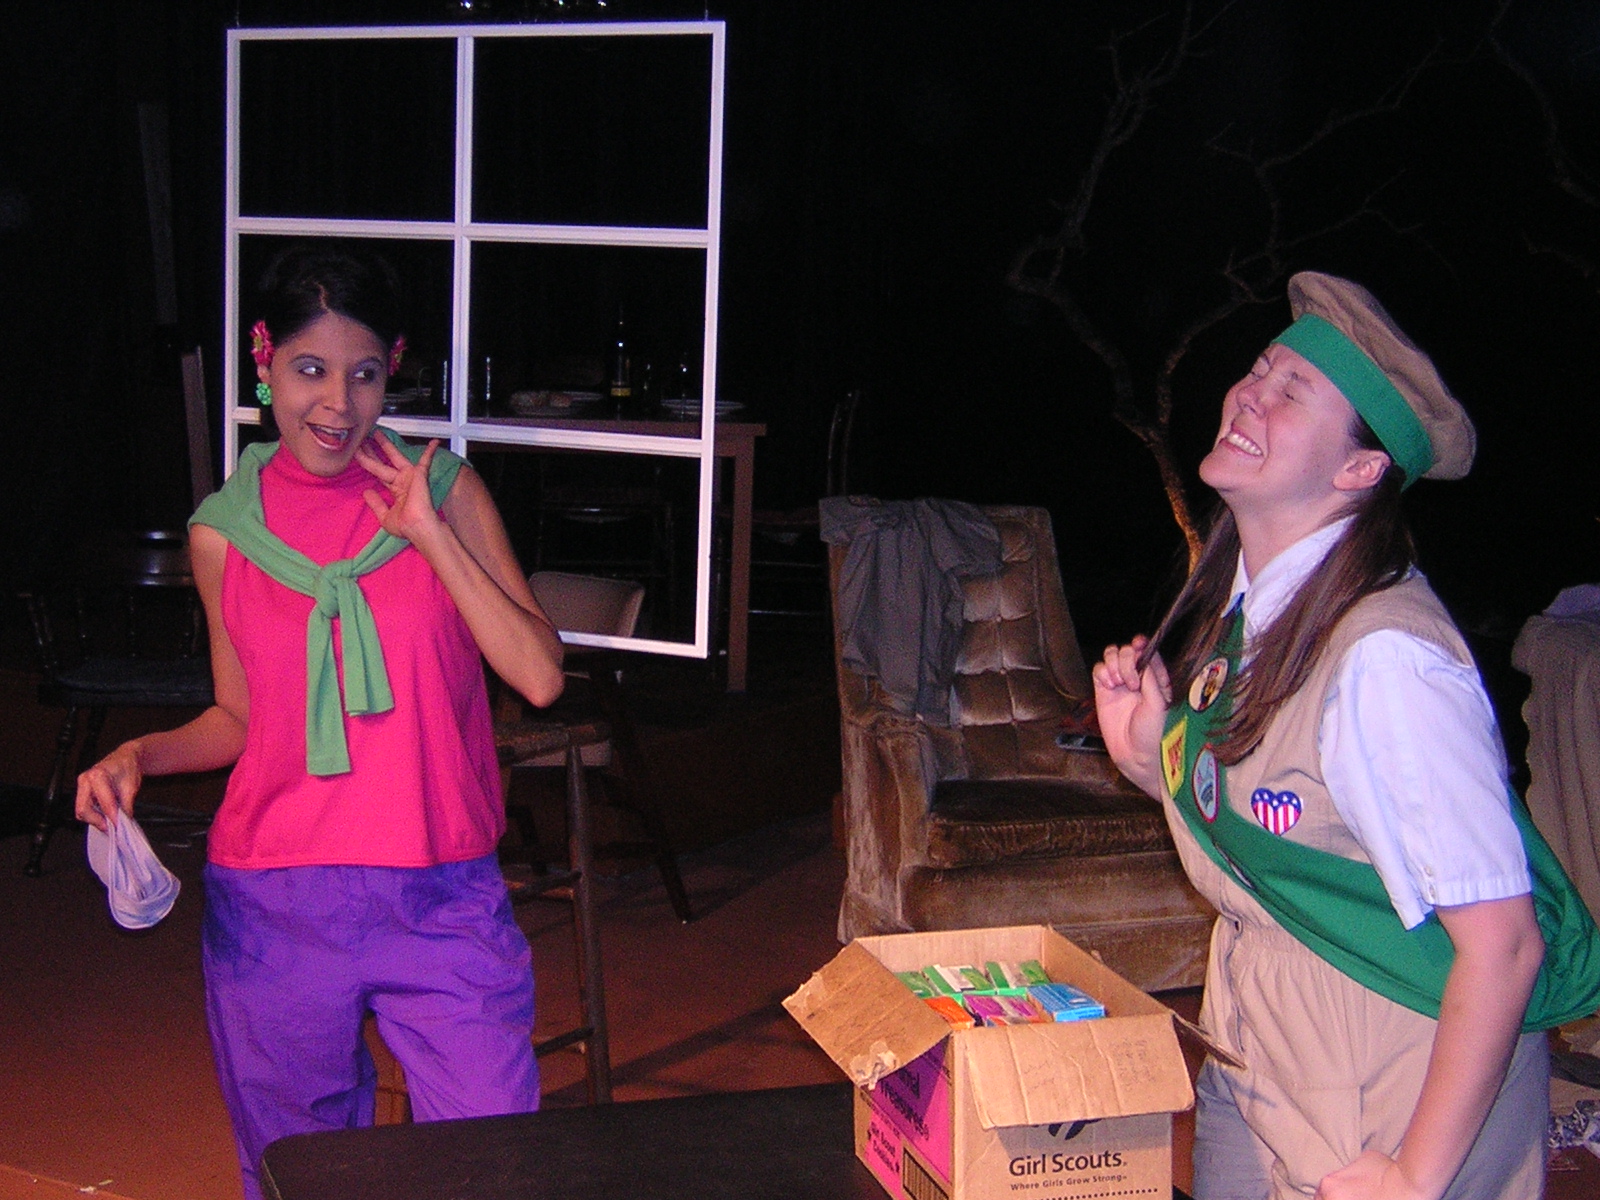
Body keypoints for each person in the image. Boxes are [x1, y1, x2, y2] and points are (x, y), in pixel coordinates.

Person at [1093, 271, 1600, 1200]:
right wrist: (1148, 754)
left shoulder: (1386, 663)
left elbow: (1505, 946)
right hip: (1260, 1044)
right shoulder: (1253, 616)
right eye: (1260, 369)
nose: (1252, 394)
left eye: (1294, 391)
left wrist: (1414, 1175)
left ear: (1359, 470)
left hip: (1394, 1071)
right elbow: (1293, 828)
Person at [75, 243, 566, 1200]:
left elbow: (540, 676)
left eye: (365, 374)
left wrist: (428, 536)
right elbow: (238, 716)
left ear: (393, 369)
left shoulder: (446, 491)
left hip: (442, 890)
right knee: (302, 1173)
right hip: (277, 904)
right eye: (310, 370)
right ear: (264, 359)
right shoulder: (224, 531)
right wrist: (139, 753)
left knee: (493, 1158)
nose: (338, 405)